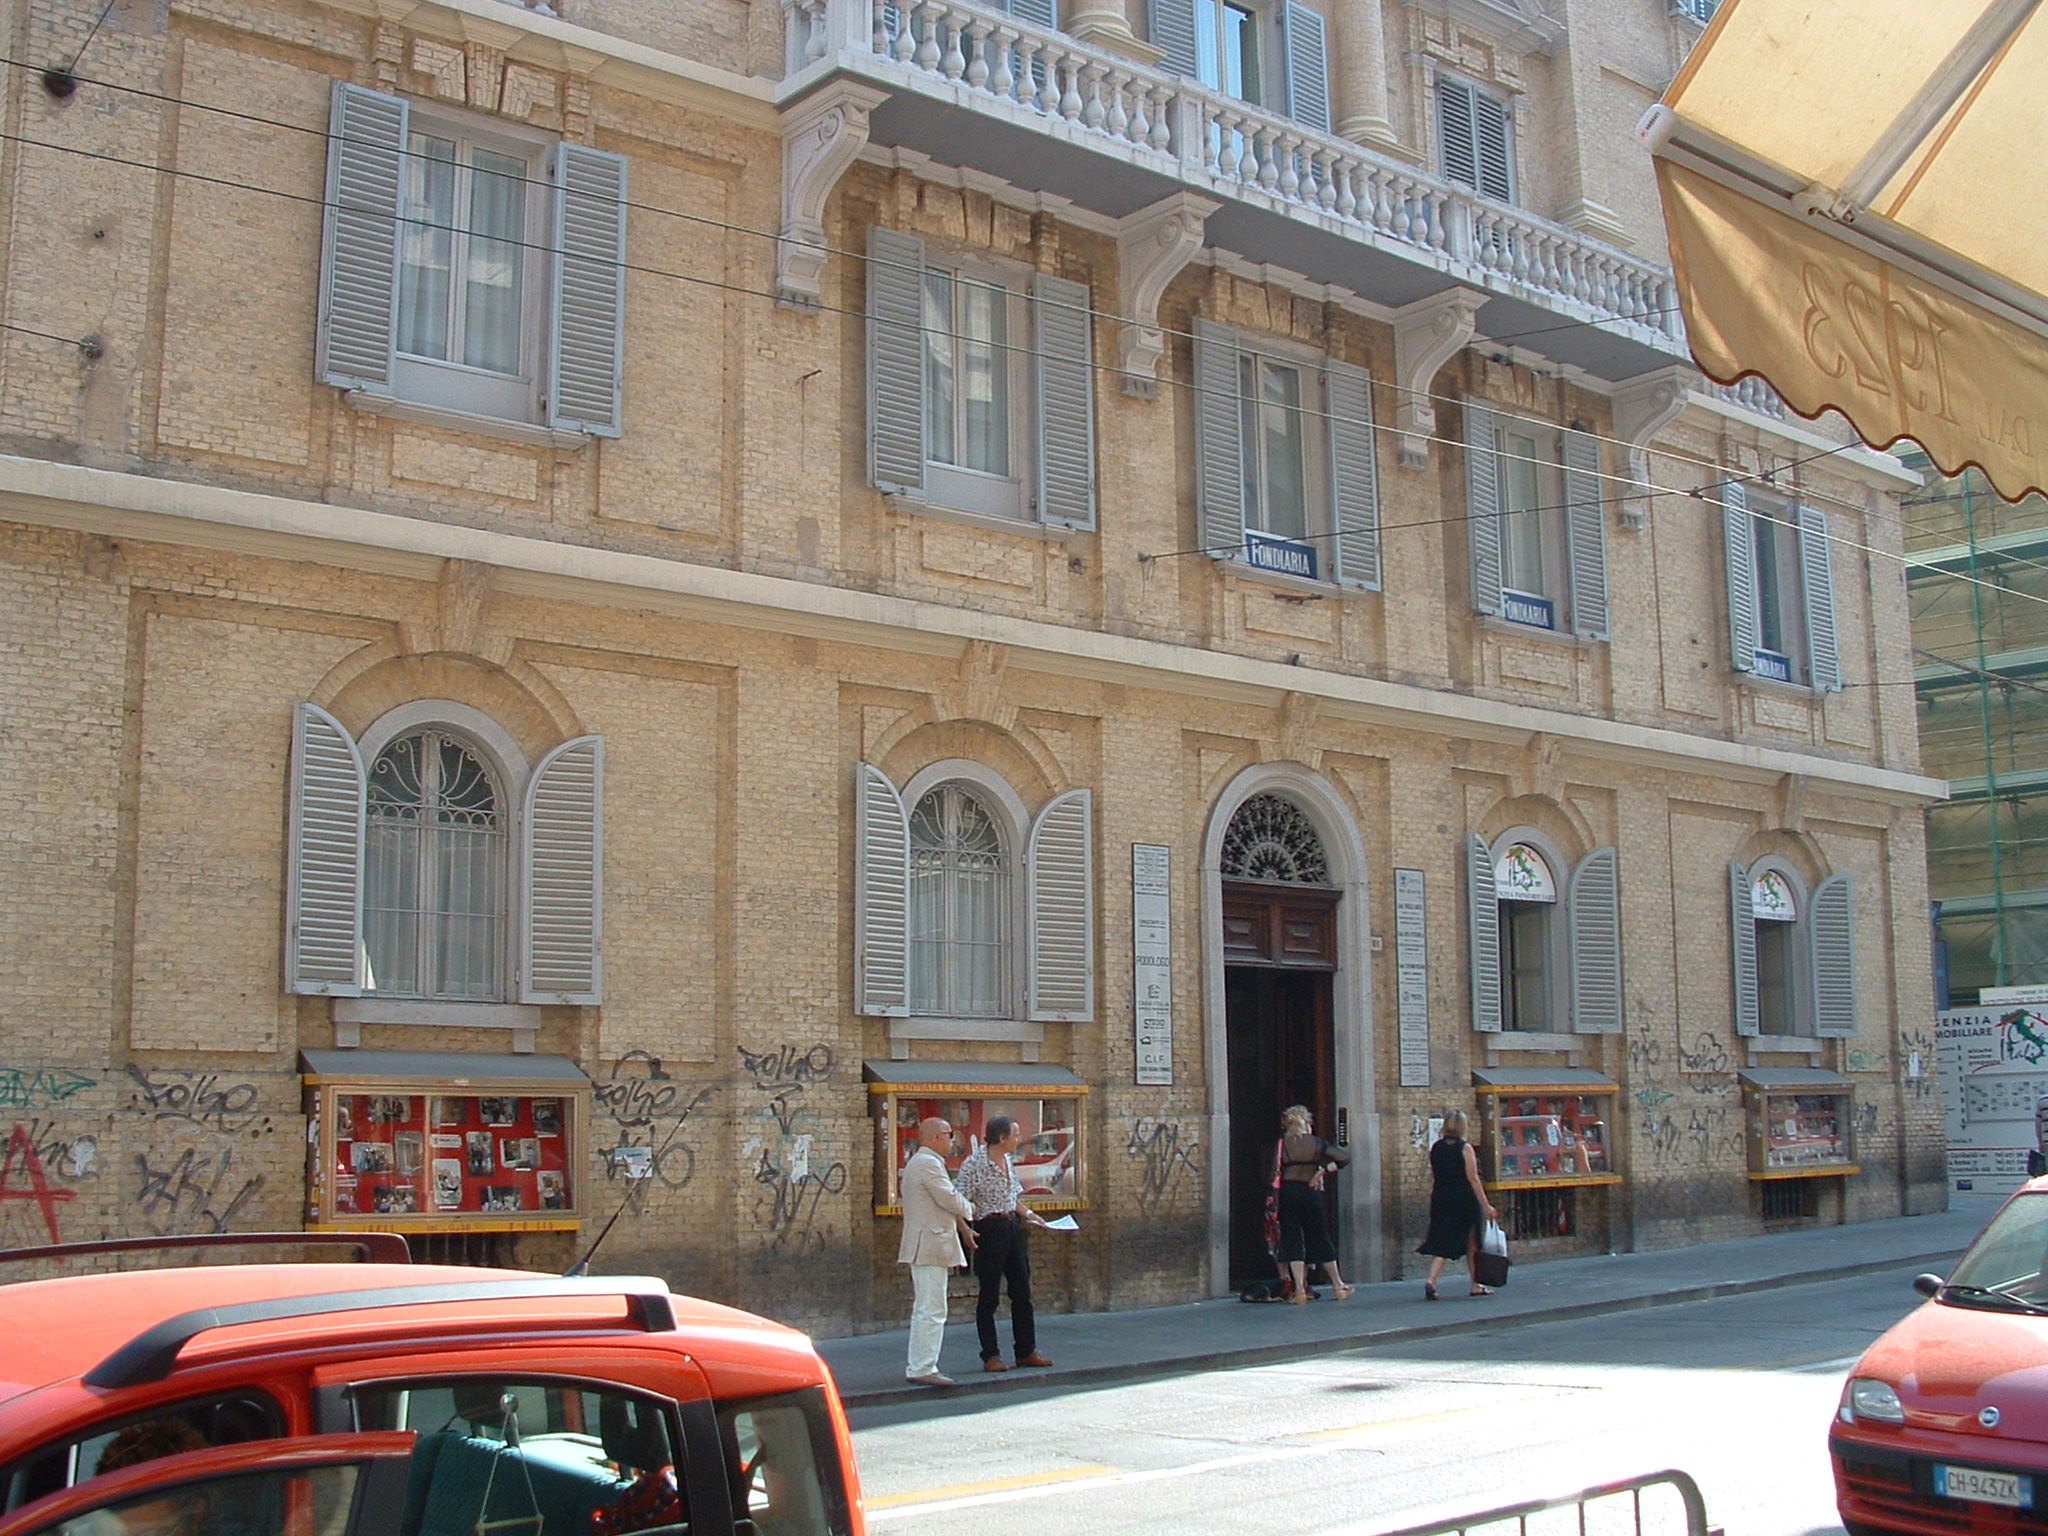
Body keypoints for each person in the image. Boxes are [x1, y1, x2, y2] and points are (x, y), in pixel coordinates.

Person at [953, 1116, 1054, 1372]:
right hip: (989, 1227)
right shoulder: (975, 1164)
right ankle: (990, 1354)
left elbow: (1013, 1198)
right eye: (1016, 1134)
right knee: (989, 1293)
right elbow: (957, 1199)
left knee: (1021, 1289)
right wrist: (964, 1229)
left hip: (1011, 1226)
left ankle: (1026, 1350)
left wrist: (1029, 1215)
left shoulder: (1008, 1160)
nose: (1019, 1139)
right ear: (1001, 1137)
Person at [898, 1115, 976, 1387]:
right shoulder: (928, 1164)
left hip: (929, 1244)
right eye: (949, 1134)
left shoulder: (922, 1163)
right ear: (935, 1137)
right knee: (931, 1308)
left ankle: (922, 1364)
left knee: (928, 1307)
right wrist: (970, 1209)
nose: (952, 1140)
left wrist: (963, 1226)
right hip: (929, 1244)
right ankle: (922, 1366)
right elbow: (948, 1197)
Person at [1417, 1108, 1499, 1300]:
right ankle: (1475, 1285)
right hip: (1463, 1199)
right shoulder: (1465, 1148)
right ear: (1462, 1126)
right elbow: (1473, 1178)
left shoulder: (1436, 1147)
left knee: (1442, 1240)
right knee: (1472, 1242)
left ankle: (1432, 1280)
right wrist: (1486, 1205)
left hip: (1441, 1197)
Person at [1275, 1104, 1353, 1304]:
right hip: (1310, 1191)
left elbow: (1272, 1171)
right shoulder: (1317, 1143)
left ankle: (1300, 1290)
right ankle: (1338, 1286)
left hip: (1288, 1192)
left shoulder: (1283, 1145)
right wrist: (1322, 1171)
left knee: (1292, 1238)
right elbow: (1344, 1158)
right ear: (1306, 1122)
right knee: (1319, 1236)